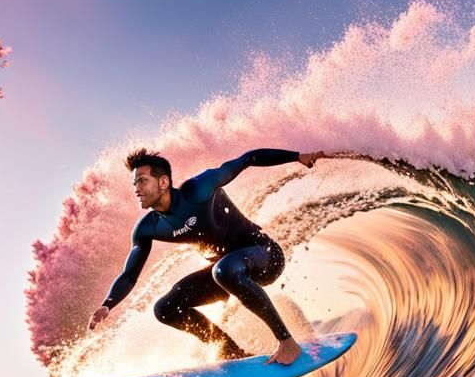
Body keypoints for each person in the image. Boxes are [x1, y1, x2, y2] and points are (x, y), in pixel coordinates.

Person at [88, 148, 331, 365]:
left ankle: (287, 342)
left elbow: (247, 158)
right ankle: (233, 353)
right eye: (134, 184)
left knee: (223, 270)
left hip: (264, 255)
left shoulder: (198, 190)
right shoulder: (148, 228)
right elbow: (129, 276)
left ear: (163, 182)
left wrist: (297, 157)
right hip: (227, 274)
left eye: (142, 181)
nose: (136, 189)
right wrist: (107, 305)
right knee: (165, 308)